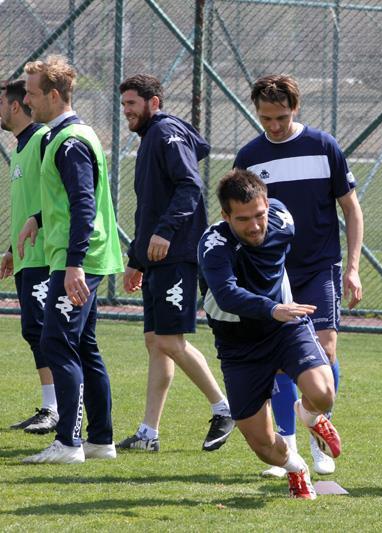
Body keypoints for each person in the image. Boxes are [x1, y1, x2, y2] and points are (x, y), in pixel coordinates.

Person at [233, 74, 363, 476]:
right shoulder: (250, 156)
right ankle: (286, 444)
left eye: (281, 117)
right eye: (266, 118)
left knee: (326, 349)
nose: (274, 126)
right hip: (272, 274)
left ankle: (319, 435)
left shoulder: (323, 146)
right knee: (279, 361)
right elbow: (239, 219)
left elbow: (351, 208)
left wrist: (353, 268)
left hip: (319, 267)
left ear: (296, 108)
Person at [198, 168, 341, 499]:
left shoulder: (282, 220)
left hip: (285, 329)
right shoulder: (213, 245)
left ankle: (308, 415)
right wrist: (272, 307)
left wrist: (280, 308)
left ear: (267, 205)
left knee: (323, 394)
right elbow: (226, 294)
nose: (255, 225)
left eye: (259, 215)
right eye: (243, 219)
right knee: (263, 446)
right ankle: (295, 466)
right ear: (226, 217)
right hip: (239, 345)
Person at [115, 74, 234, 452]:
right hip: (156, 258)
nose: (126, 111)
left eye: (132, 103)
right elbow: (150, 209)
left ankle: (224, 408)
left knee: (168, 339)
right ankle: (148, 433)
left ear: (154, 102)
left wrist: (166, 233)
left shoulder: (166, 133)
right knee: (156, 342)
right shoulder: (151, 137)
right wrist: (136, 260)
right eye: (124, 104)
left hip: (176, 255)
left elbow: (189, 186)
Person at [18, 55, 123, 463]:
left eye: (31, 93)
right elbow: (69, 198)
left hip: (78, 258)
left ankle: (68, 442)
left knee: (56, 341)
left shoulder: (70, 141)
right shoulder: (63, 136)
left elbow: (83, 204)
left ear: (54, 95)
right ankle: (101, 440)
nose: (26, 101)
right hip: (80, 255)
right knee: (82, 344)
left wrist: (74, 263)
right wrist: (38, 218)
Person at [0, 80, 57, 434]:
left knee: (46, 331)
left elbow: (57, 194)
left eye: (0, 103)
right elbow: (26, 206)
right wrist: (10, 250)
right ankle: (50, 406)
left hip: (45, 256)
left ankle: (59, 408)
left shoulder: (43, 140)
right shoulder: (21, 147)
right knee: (33, 330)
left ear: (15, 106)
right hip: (25, 257)